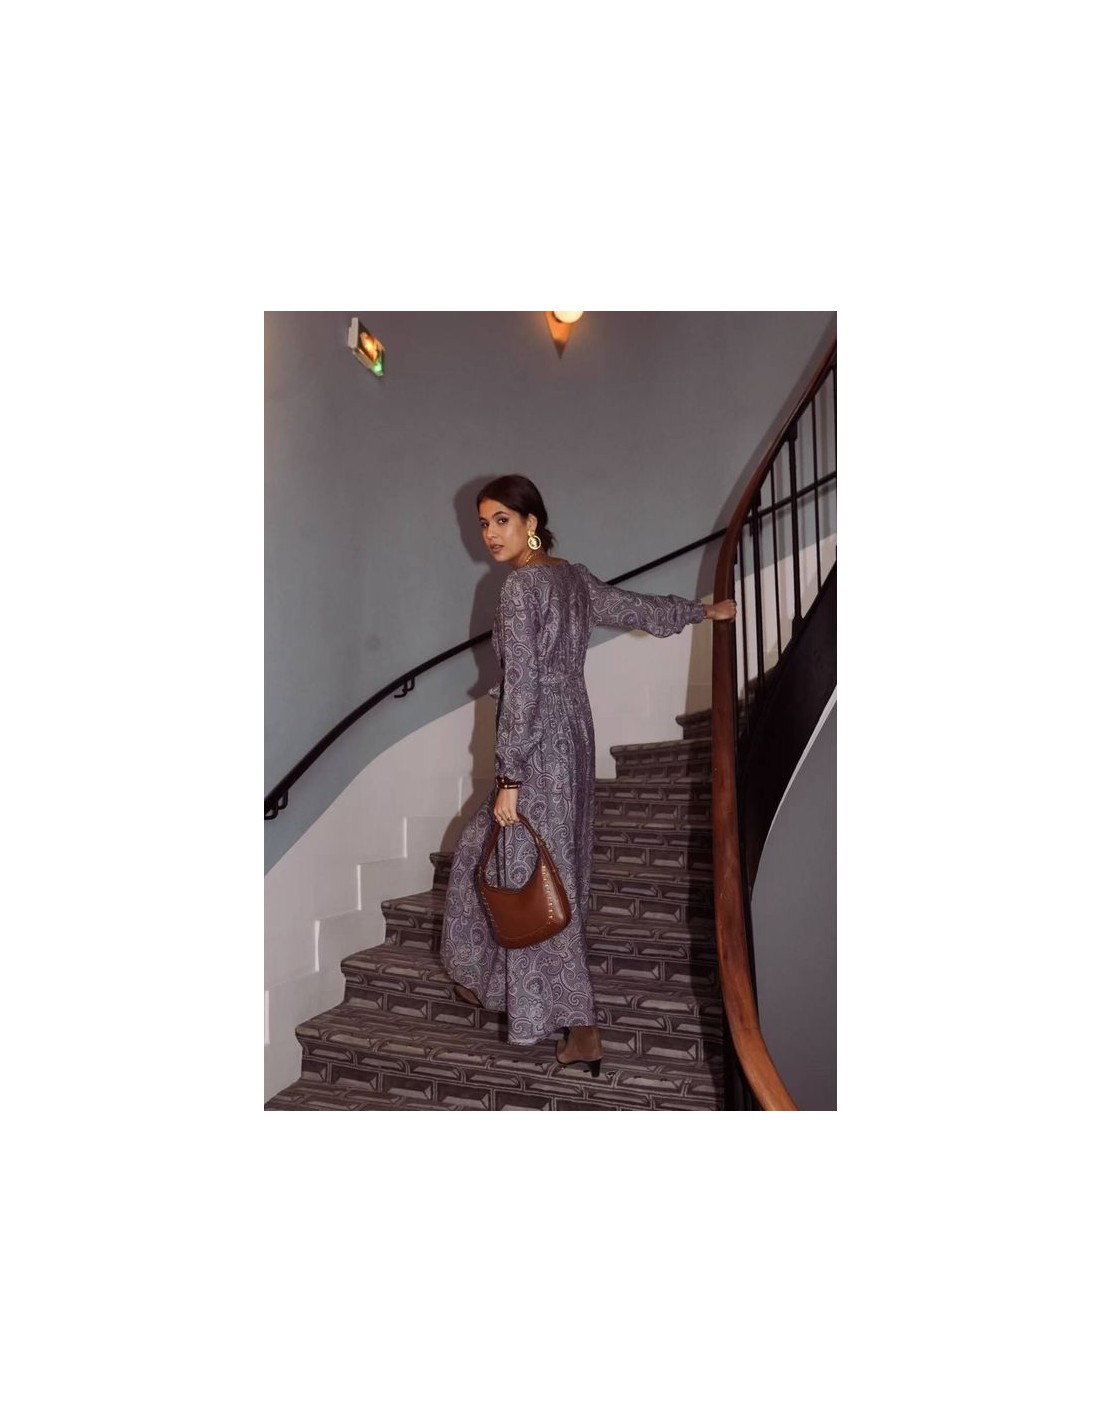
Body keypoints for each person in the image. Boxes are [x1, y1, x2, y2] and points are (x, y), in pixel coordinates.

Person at [439, 475, 737, 1076]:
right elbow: (634, 607)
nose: (491, 534)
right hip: (571, 735)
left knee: (537, 875)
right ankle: (483, 976)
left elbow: (523, 688)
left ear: (531, 523)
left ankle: (580, 1025)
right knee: (504, 857)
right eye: (484, 524)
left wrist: (510, 777)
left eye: (502, 520)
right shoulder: (571, 578)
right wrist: (702, 611)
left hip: (537, 747)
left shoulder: (521, 588)